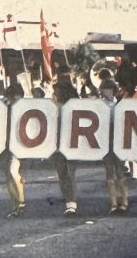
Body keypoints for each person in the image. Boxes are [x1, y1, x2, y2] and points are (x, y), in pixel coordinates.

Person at [99, 73, 129, 214]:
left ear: (113, 90)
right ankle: (113, 203)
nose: (105, 92)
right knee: (109, 173)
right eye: (104, 89)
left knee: (119, 172)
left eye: (108, 89)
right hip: (107, 142)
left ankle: (124, 201)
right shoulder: (100, 105)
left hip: (118, 141)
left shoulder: (120, 103)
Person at [0, 83, 25, 218]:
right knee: (8, 175)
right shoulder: (5, 109)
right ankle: (15, 204)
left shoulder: (25, 109)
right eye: (12, 98)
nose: (14, 101)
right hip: (4, 145)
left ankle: (20, 202)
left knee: (12, 171)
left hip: (18, 145)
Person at [52, 78, 79, 215]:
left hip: (70, 144)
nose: (54, 94)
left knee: (69, 174)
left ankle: (71, 203)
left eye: (56, 91)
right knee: (62, 174)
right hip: (56, 146)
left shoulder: (73, 106)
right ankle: (69, 201)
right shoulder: (53, 106)